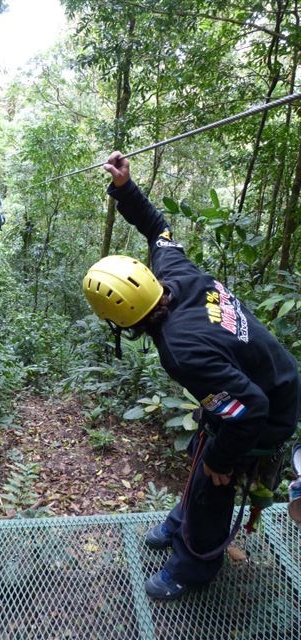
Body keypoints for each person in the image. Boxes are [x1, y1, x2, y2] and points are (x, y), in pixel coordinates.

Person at [83, 151, 301, 600]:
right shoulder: (174, 272)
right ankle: (181, 522)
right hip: (260, 377)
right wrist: (124, 188)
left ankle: (194, 567)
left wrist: (222, 461)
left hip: (270, 405)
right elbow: (157, 228)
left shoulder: (181, 351)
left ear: (120, 321)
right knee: (206, 446)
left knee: (212, 480)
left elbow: (250, 410)